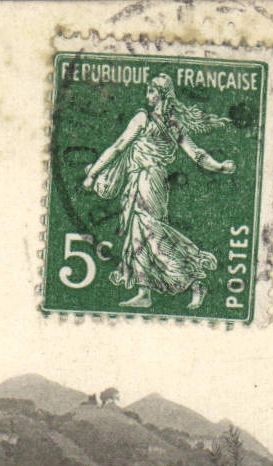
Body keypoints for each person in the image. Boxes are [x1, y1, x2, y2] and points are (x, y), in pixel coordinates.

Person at [81, 74, 236, 310]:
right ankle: (145, 292)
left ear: (161, 94)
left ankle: (194, 277)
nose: (147, 96)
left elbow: (119, 146)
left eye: (151, 92)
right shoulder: (173, 124)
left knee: (151, 234)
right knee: (140, 236)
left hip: (146, 179)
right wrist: (219, 166)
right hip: (154, 182)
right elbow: (197, 155)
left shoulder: (143, 118)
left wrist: (93, 173)